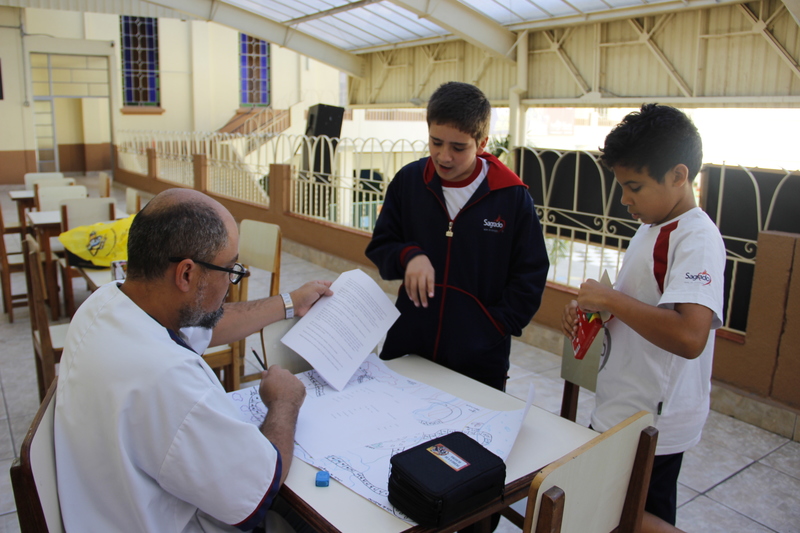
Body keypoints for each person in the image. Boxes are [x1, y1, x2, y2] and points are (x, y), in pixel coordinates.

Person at [54, 188, 333, 533]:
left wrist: (290, 302)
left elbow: (209, 326)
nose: (232, 282)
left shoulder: (107, 304)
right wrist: (284, 401)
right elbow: (260, 489)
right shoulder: (168, 377)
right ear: (186, 274)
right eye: (231, 269)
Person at [561, 104, 726, 532]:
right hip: (622, 405)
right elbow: (642, 308)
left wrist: (612, 301)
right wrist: (594, 311)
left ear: (678, 175)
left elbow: (691, 337)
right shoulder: (652, 225)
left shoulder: (696, 237)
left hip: (653, 420)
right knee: (607, 511)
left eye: (634, 186)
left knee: (627, 515)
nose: (625, 199)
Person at [366, 81, 549, 392]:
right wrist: (410, 255)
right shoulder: (409, 182)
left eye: (458, 147)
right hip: (409, 347)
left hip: (480, 363)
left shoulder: (512, 198)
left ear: (482, 143)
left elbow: (530, 276)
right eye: (436, 142)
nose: (444, 156)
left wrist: (490, 328)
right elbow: (381, 245)